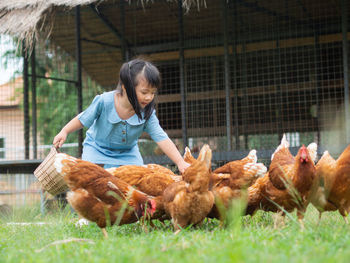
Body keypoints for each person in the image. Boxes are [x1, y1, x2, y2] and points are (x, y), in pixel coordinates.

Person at [53, 58, 190, 173]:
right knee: (91, 180)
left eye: (153, 92)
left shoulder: (147, 113)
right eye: (144, 92)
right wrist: (64, 131)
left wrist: (180, 162)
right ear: (126, 87)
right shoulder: (104, 101)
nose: (149, 97)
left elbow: (161, 137)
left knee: (137, 182)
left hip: (128, 153)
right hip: (97, 149)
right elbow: (83, 119)